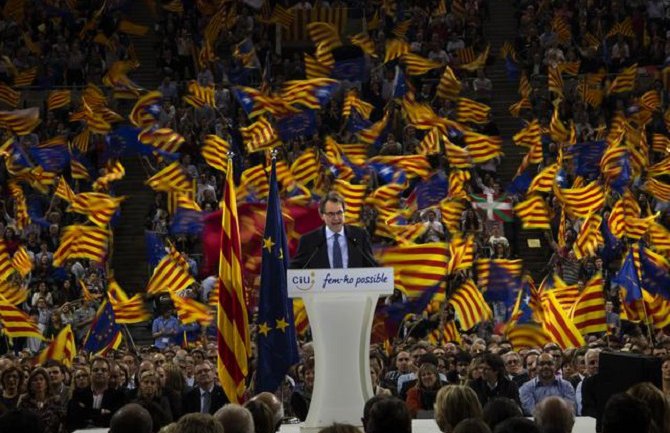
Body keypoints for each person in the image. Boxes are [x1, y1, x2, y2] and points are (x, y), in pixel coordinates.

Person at [290, 192, 377, 269]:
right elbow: (295, 271)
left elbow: (372, 267)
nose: (336, 218)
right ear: (322, 215)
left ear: (344, 212)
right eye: (331, 214)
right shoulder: (308, 241)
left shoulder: (360, 236)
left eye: (339, 213)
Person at [66, 357, 128, 431]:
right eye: (95, 370)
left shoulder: (118, 396)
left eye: (103, 370)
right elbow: (74, 418)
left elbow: (115, 420)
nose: (99, 372)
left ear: (108, 374)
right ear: (90, 374)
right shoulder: (78, 394)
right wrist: (101, 412)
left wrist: (87, 412)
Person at [17, 367, 64, 433]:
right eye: (35, 380)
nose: (39, 382)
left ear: (47, 383)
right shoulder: (25, 402)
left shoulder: (55, 401)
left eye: (41, 379)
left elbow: (62, 422)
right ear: (31, 385)